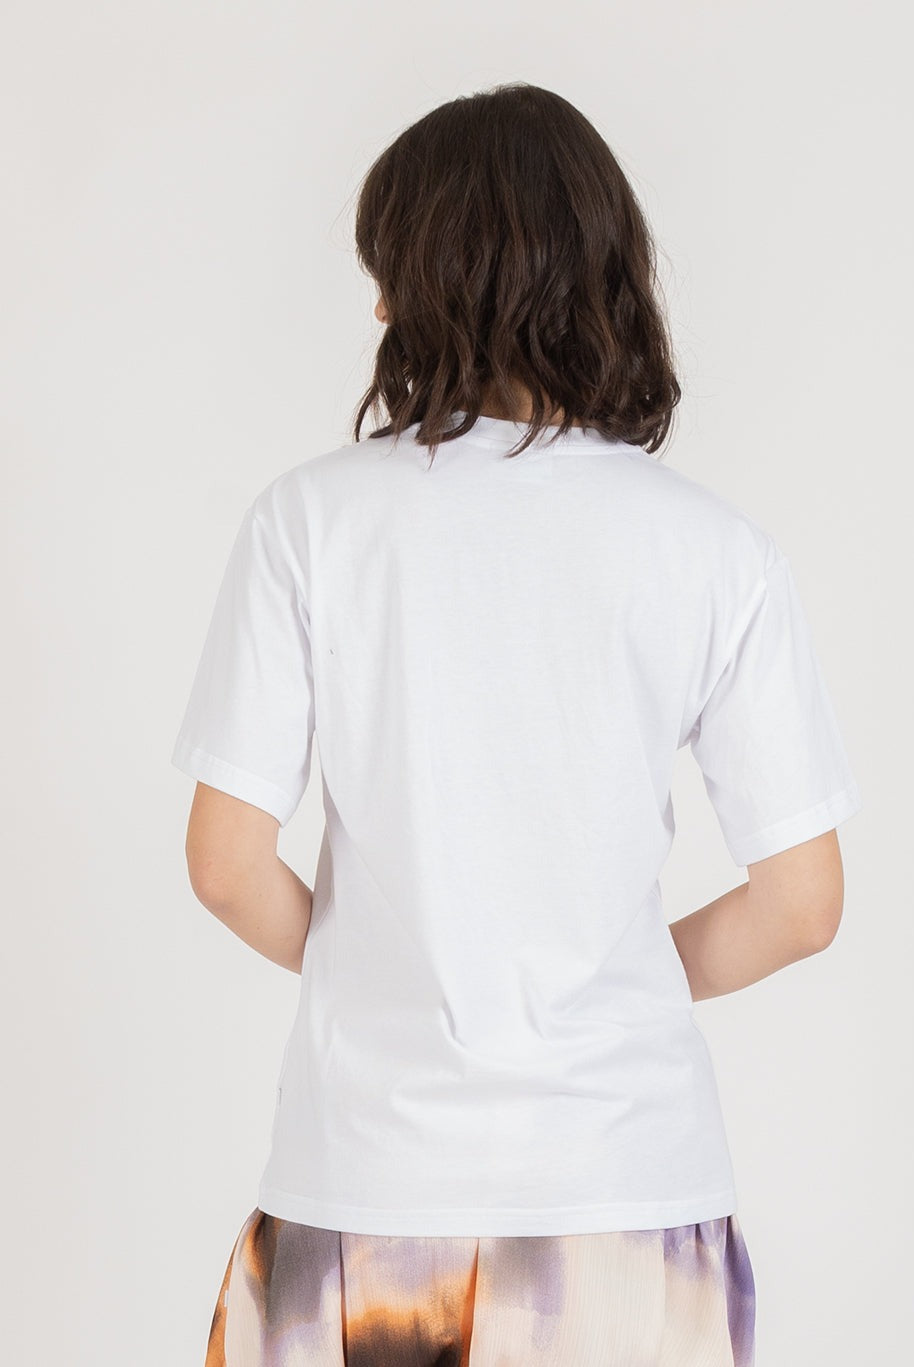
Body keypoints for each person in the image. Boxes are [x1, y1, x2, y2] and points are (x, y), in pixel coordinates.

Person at [171, 81, 862, 1367]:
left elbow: (223, 865)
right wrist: (614, 977)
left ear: (428, 287)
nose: (376, 306)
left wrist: (376, 968)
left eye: (386, 271)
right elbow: (802, 901)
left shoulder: (310, 522)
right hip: (627, 1187)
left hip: (366, 1178)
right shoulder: (714, 550)